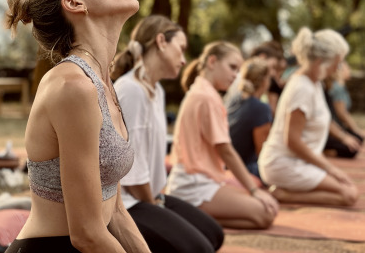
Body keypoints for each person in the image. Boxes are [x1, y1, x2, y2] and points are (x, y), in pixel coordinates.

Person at [4, 0, 150, 253]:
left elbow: (116, 211)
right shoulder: (73, 87)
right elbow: (87, 235)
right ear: (74, 3)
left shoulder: (101, 81)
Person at [111, 15, 224, 253]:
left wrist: (157, 201)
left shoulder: (156, 90)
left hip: (149, 196)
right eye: (180, 49)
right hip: (126, 203)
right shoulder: (131, 90)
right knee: (200, 248)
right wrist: (153, 206)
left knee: (214, 234)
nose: (184, 60)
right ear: (161, 42)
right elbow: (132, 167)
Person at [166, 41, 279, 229]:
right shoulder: (206, 96)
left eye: (238, 70)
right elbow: (225, 150)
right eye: (232, 67)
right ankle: (187, 213)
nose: (235, 76)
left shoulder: (203, 92)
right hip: (193, 185)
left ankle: (191, 215)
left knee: (266, 211)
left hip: (199, 180)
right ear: (212, 62)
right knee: (265, 213)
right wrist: (252, 189)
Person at [258, 27, 359, 206]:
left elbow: (324, 121)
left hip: (299, 161)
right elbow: (293, 141)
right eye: (337, 62)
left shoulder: (315, 83)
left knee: (349, 189)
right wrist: (330, 169)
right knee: (349, 194)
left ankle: (288, 192)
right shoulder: (301, 88)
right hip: (284, 164)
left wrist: (344, 137)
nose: (338, 67)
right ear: (321, 61)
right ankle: (284, 195)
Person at [226, 57, 273, 179]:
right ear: (264, 81)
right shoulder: (261, 108)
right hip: (245, 167)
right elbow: (262, 152)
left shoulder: (235, 100)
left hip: (227, 164)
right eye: (269, 78)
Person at [323, 61, 365, 158]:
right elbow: (341, 113)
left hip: (333, 127)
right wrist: (353, 131)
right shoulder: (336, 88)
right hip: (328, 129)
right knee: (354, 144)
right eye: (347, 68)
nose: (349, 71)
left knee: (356, 141)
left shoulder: (337, 87)